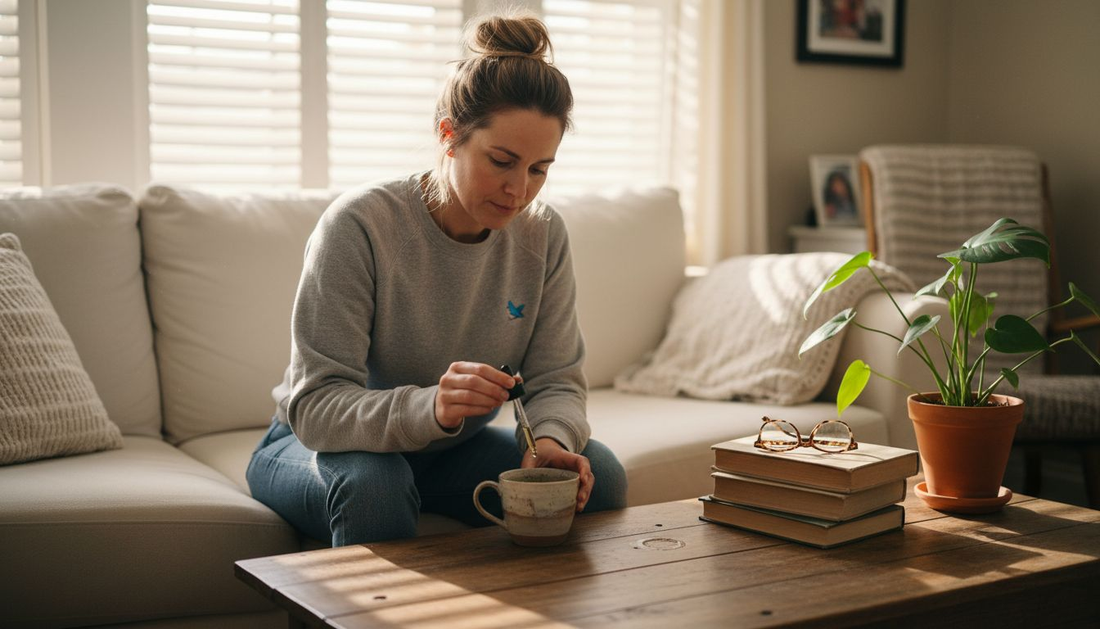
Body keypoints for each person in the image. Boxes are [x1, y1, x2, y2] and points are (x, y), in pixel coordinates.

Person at [246, 13, 628, 547]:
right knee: (376, 487)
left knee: (599, 473)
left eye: (539, 169)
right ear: (449, 134)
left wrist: (548, 439)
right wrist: (432, 407)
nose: (519, 191)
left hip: (447, 455)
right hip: (319, 448)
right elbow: (316, 408)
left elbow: (556, 378)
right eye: (502, 161)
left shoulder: (542, 234)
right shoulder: (360, 225)